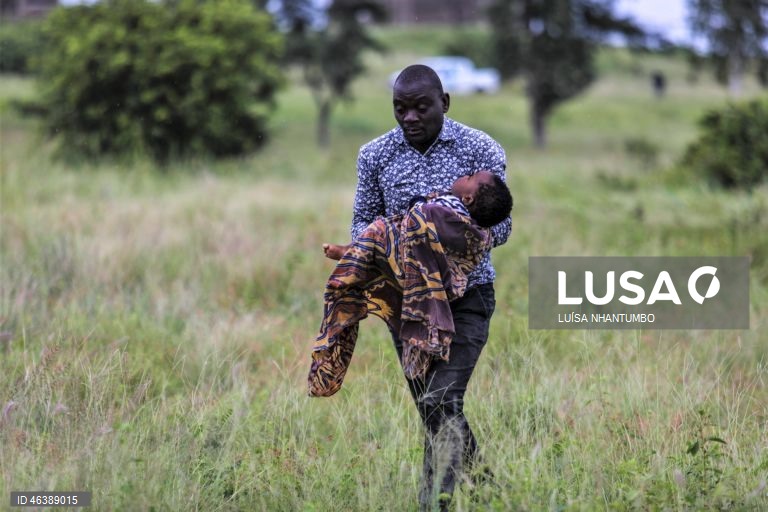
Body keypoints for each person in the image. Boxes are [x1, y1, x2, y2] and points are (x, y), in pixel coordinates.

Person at [327, 64, 511, 511]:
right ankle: (488, 490)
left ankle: (435, 504)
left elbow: (501, 225)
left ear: (444, 103)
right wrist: (379, 248)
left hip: (468, 299)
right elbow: (362, 225)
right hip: (407, 305)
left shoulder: (480, 148)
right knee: (434, 412)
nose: (409, 117)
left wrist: (442, 236)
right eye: (400, 108)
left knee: (439, 399)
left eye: (420, 107)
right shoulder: (375, 155)